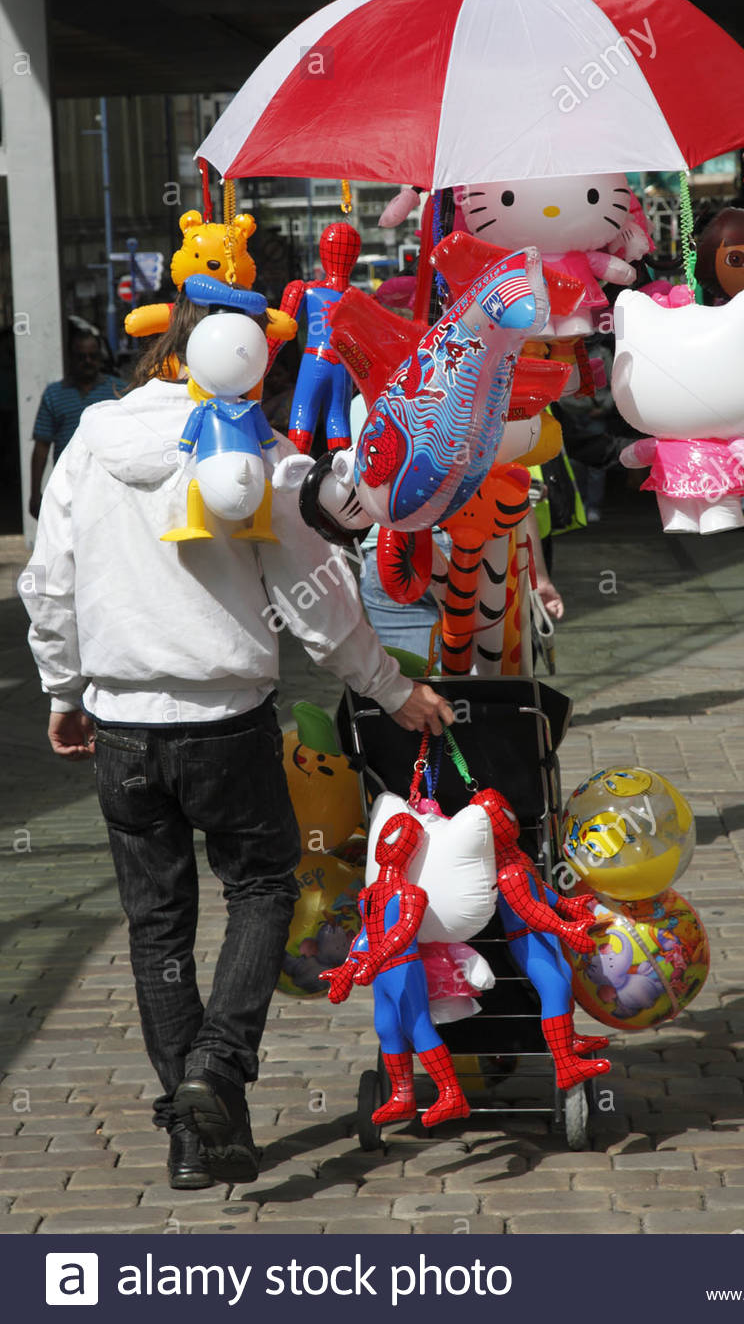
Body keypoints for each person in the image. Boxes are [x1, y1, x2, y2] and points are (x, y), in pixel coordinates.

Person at [18, 291, 453, 1192]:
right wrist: (391, 687)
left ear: (161, 352)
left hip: (123, 724)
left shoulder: (92, 440)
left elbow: (48, 581)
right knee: (262, 885)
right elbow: (318, 597)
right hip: (224, 721)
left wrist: (64, 692)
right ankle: (216, 1072)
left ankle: (194, 1132)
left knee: (158, 927)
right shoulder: (254, 449)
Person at [29, 325, 118, 519]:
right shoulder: (54, 394)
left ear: (100, 357)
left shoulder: (118, 391)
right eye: (81, 356)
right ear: (70, 358)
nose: (87, 361)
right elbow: (41, 447)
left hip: (110, 487)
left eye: (93, 356)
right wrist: (35, 494)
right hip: (66, 487)